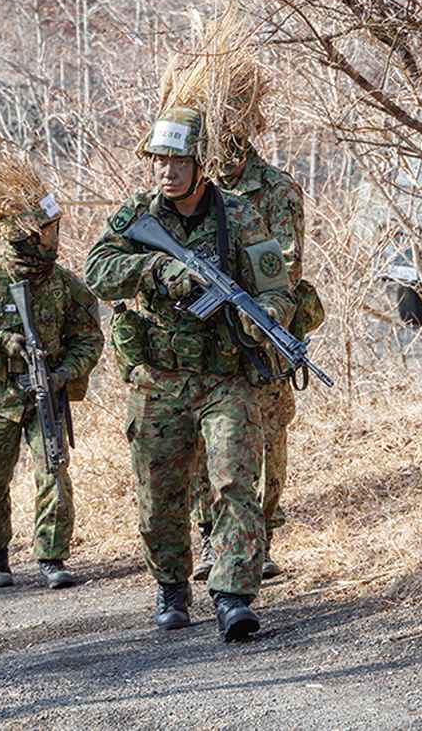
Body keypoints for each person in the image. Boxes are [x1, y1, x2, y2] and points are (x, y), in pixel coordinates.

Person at [85, 106, 295, 641]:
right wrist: (157, 269)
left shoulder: (241, 214)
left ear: (201, 164)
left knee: (234, 482)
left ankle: (231, 594)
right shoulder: (136, 215)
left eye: (178, 161)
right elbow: (97, 273)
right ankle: (171, 588)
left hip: (225, 375)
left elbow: (275, 282)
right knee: (160, 491)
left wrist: (269, 314)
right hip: (158, 378)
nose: (167, 171)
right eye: (159, 160)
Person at [0, 158, 104, 591]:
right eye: (49, 230)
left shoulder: (67, 285)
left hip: (45, 395)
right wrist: (1, 340)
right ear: (30, 237)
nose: (56, 237)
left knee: (54, 473)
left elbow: (90, 339)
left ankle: (51, 556)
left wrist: (63, 373)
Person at [191, 139, 309, 581]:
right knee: (207, 442)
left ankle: (260, 539)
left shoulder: (275, 188)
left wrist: (255, 301)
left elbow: (287, 265)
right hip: (206, 342)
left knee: (267, 439)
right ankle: (211, 537)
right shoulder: (191, 187)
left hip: (260, 337)